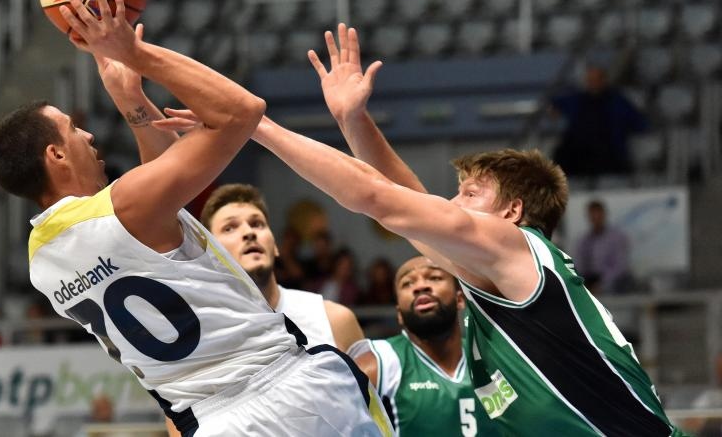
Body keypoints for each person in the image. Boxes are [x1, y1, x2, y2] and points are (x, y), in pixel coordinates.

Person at [156, 23, 681, 435]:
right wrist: (354, 122)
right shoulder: (499, 278)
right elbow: (407, 200)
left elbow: (380, 199)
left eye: (470, 194)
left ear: (513, 212)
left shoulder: (516, 247)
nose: (451, 204)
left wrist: (256, 126)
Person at [0, 0, 391, 437]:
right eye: (71, 128)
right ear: (56, 154)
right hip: (288, 394)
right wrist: (135, 54)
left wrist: (131, 100)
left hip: (210, 422)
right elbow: (242, 111)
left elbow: (161, 200)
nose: (86, 133)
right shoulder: (123, 207)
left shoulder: (41, 259)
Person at [199, 183, 365, 351]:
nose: (249, 232)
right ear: (210, 256)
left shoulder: (333, 320)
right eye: (229, 228)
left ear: (275, 247)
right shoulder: (203, 338)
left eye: (257, 224)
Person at [352, 256, 501, 436]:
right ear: (399, 313)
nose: (420, 286)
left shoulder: (491, 360)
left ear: (460, 299)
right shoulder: (377, 364)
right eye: (407, 283)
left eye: (434, 277)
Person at [550, 65, 648, 179]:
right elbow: (556, 103)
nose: (593, 83)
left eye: (597, 79)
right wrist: (554, 109)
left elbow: (639, 122)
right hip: (579, 150)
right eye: (590, 80)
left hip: (609, 150)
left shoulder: (617, 101)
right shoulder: (578, 99)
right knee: (563, 154)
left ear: (604, 80)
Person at [575, 199, 635, 294]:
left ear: (604, 215)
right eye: (592, 215)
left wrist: (602, 284)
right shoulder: (584, 241)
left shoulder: (617, 238)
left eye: (598, 215)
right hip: (589, 283)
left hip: (614, 285)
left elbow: (620, 266)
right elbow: (579, 265)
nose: (595, 218)